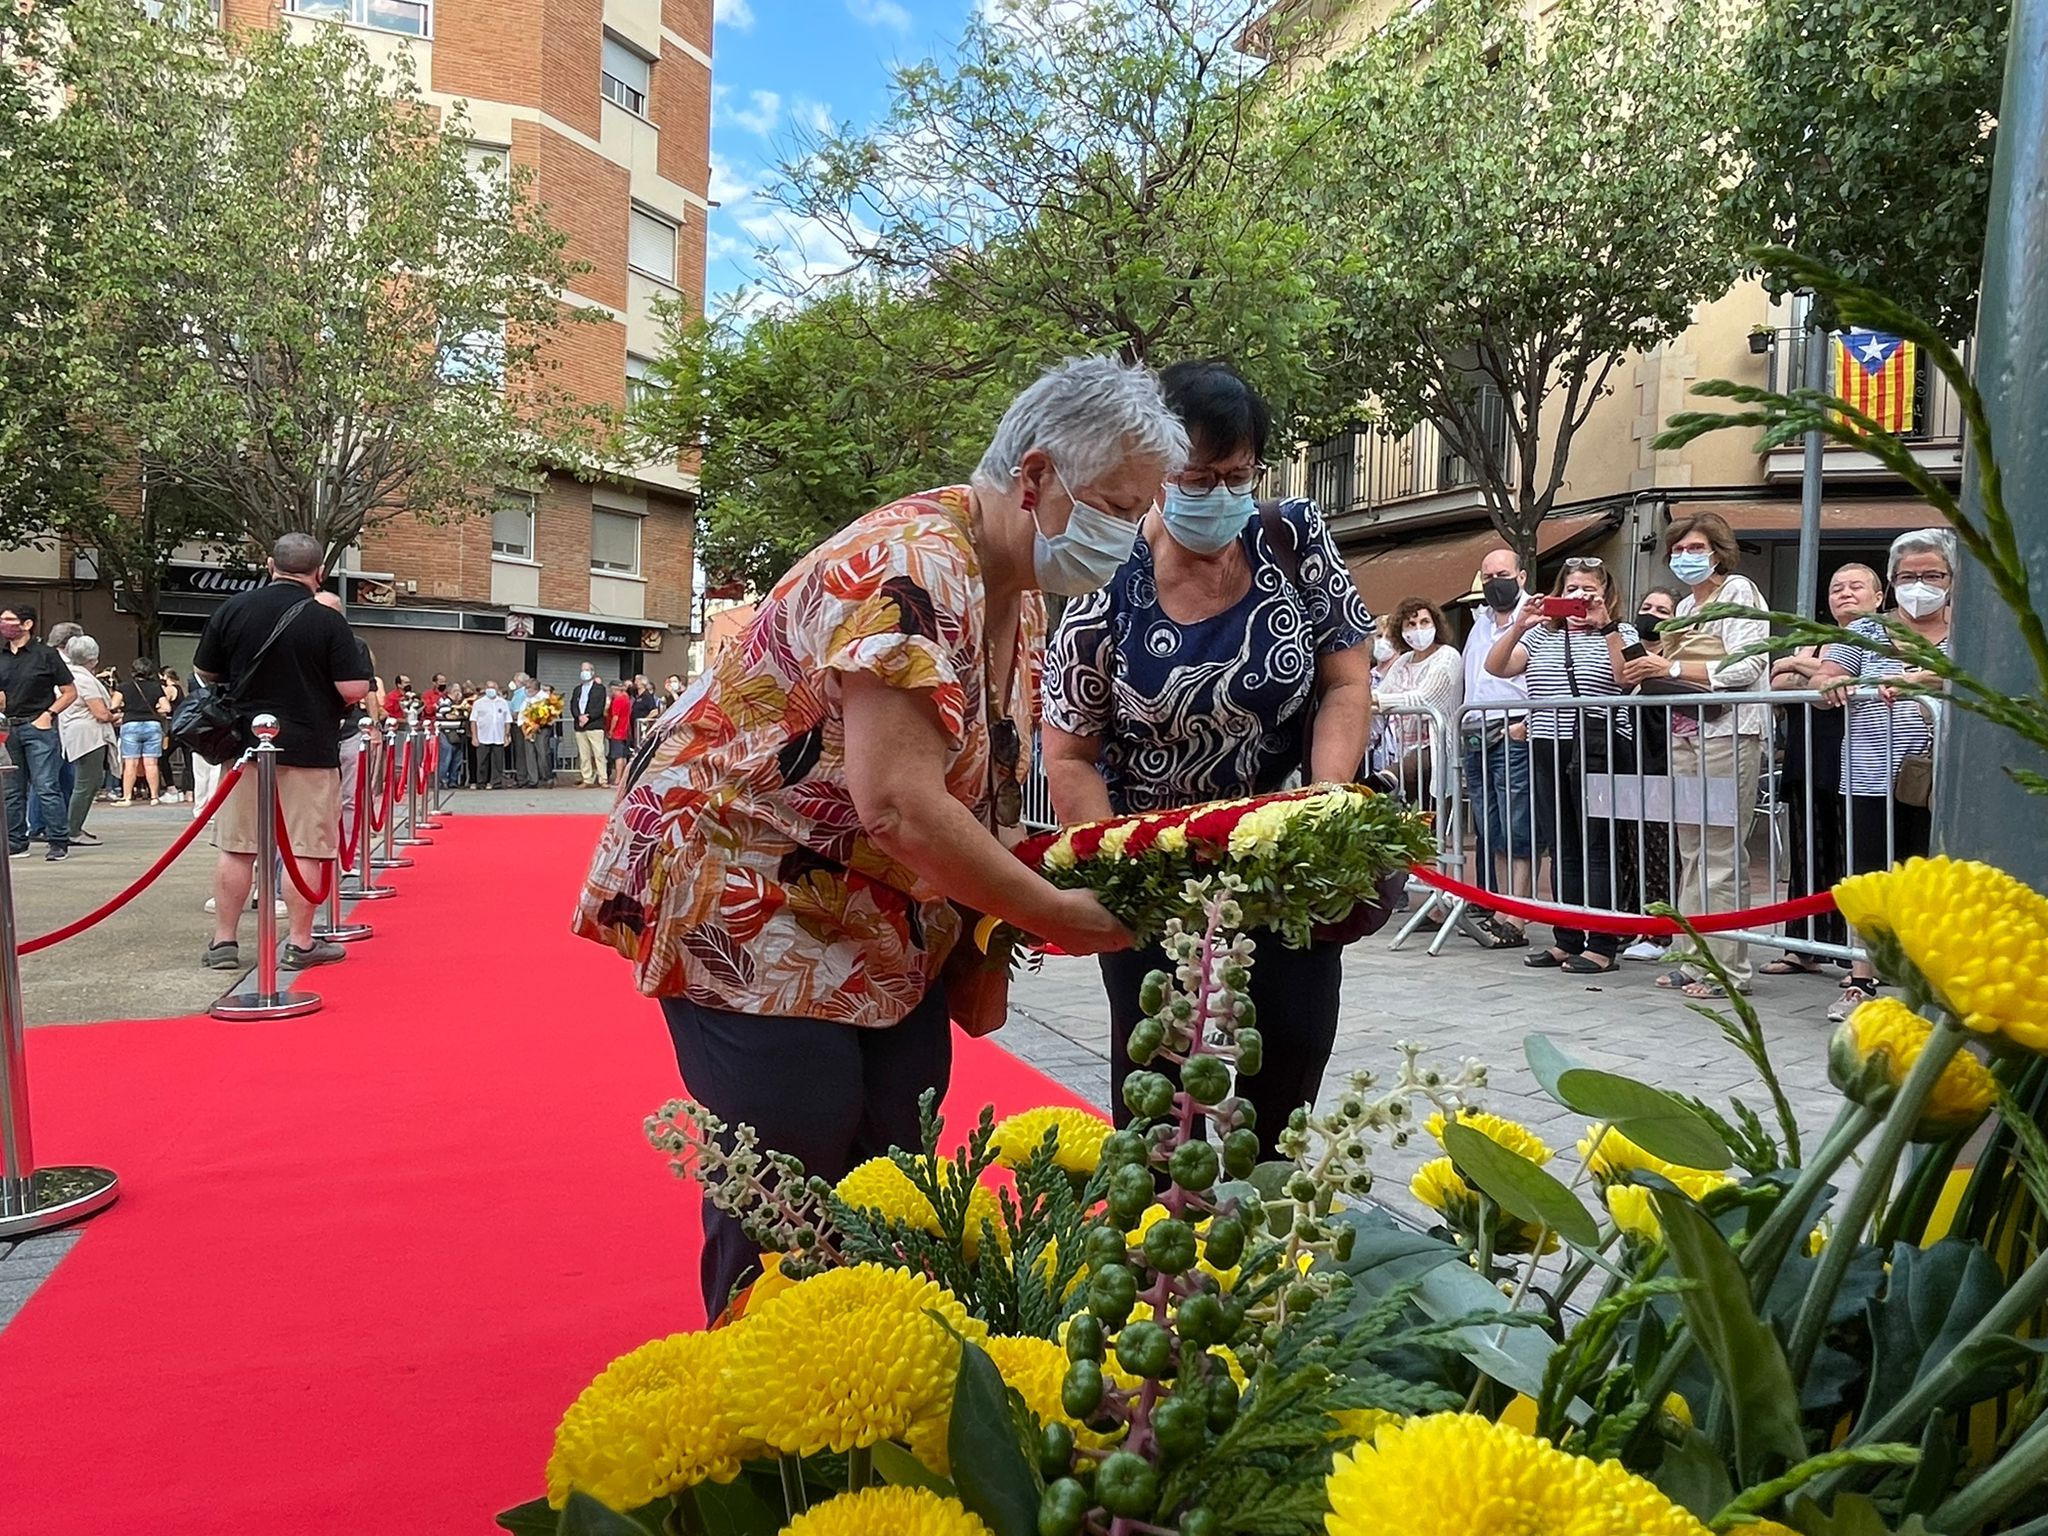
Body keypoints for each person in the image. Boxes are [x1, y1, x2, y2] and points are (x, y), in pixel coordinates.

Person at [578, 354, 1176, 1312]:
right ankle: (768, 1432)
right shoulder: (916, 561)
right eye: (1115, 503)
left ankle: (877, 1407)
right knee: (793, 1187)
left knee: (897, 1162)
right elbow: (899, 803)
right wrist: (1057, 911)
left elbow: (965, 785)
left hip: (862, 913)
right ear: (1035, 478)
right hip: (749, 900)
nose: (1129, 535)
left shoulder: (1004, 582)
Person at [1041, 360, 1375, 1158]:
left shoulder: (1291, 537)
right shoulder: (1105, 576)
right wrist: (1117, 874)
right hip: (1153, 863)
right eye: (1197, 476)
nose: (1220, 493)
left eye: (1237, 474)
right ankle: (1156, 1253)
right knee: (1157, 1092)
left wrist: (1320, 808)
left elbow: (1346, 680)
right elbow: (1070, 752)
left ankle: (1267, 1249)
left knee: (1286, 1065)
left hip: (1281, 857)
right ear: (1157, 470)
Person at [194, 534, 370, 972]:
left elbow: (204, 671)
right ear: (319, 572)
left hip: (244, 749)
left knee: (237, 847)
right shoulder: (328, 621)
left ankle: (224, 942)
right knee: (306, 848)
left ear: (270, 564)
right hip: (309, 747)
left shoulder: (232, 610)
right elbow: (353, 689)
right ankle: (300, 943)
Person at [1619, 513, 1770, 999]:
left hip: (1730, 733)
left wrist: (1672, 664)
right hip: (1685, 733)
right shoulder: (1683, 605)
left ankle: (1727, 969)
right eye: (1679, 549)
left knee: (1721, 854)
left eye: (1697, 548)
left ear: (1719, 552)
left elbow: (1749, 663)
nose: (1687, 557)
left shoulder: (1740, 592)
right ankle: (1691, 957)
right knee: (1692, 851)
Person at [1814, 529, 1957, 1022]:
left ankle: (1928, 984)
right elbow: (1827, 672)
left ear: (1951, 579)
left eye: (1932, 575)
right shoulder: (1866, 631)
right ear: (1893, 583)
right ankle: (1861, 978)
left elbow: (1975, 674)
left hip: (1941, 780)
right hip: (1869, 773)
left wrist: (1919, 676)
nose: (1920, 584)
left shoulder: (1971, 630)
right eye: (1908, 576)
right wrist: (1830, 679)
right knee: (1870, 876)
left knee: (1931, 877)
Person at [1485, 559, 1638, 974]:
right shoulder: (1540, 636)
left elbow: (1627, 677)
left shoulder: (1622, 632)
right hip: (1548, 743)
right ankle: (1567, 938)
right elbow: (1495, 667)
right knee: (1563, 844)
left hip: (1599, 745)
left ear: (1606, 594)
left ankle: (1603, 942)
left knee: (1599, 845)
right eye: (1571, 589)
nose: (1579, 597)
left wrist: (1604, 625)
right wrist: (1520, 623)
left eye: (1589, 589)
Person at [1763, 562, 1883, 978]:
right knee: (1806, 851)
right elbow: (1775, 682)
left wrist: (1800, 669)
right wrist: (1808, 669)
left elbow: (1851, 680)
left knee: (1854, 857)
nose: (1845, 594)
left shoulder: (1886, 639)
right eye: (1836, 588)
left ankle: (1858, 953)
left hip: (1859, 759)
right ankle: (1802, 944)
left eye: (1856, 587)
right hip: (1807, 756)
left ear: (1878, 597)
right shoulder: (1813, 641)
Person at [1458, 549, 1537, 948]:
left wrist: (1527, 724)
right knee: (1492, 825)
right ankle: (1504, 904)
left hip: (1513, 729)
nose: (1494, 582)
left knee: (1517, 820)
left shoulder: (1537, 619)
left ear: (1521, 576)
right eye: (1487, 577)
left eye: (1502, 574)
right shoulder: (1479, 624)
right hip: (1476, 730)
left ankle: (1519, 911)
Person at [1615, 583, 1687, 964]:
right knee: (1633, 845)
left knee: (1662, 848)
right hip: (1632, 760)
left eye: (1662, 611)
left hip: (1665, 761)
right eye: (1647, 607)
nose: (1652, 615)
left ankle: (1661, 930)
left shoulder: (1678, 655)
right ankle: (1637, 920)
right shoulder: (1631, 654)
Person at [0, 604, 80, 861]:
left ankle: (58, 840)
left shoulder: (46, 655)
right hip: (8, 727)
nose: (4, 625)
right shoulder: (1, 656)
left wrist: (49, 715)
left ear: (27, 624)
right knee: (12, 788)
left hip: (38, 726)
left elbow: (70, 692)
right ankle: (16, 841)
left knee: (46, 785)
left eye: (10, 620)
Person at [1372, 597, 1464, 804]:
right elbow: (1381, 695)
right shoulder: (1403, 661)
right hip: (1403, 747)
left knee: (1401, 776)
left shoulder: (1447, 656)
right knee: (1418, 815)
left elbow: (1426, 699)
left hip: (1438, 746)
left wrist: (1378, 699)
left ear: (1436, 624)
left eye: (1424, 622)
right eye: (1411, 624)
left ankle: (1374, 786)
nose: (1418, 629)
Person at [59, 636, 118, 848]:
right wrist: (115, 716)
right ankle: (72, 829)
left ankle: (74, 826)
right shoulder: (84, 679)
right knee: (87, 783)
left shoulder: (71, 675)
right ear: (92, 658)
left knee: (89, 781)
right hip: (88, 735)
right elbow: (100, 713)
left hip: (77, 733)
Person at [115, 659, 171, 807]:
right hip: (152, 725)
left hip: (130, 724)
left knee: (130, 763)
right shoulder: (156, 687)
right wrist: (157, 710)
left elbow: (113, 705)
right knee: (151, 763)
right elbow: (167, 708)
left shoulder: (124, 687)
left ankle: (127, 797)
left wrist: (124, 707)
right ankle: (154, 797)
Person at [569, 666, 607, 786]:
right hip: (580, 726)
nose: (583, 672)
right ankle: (587, 779)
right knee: (584, 755)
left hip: (594, 725)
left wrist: (588, 717)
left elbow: (599, 707)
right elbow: (573, 705)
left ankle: (603, 779)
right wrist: (578, 716)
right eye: (582, 670)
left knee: (599, 753)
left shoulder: (600, 689)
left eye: (586, 670)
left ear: (592, 672)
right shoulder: (577, 689)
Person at [470, 681, 512, 788]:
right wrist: (474, 737)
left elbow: (507, 721)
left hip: (498, 737)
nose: (491, 689)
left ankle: (496, 782)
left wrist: (506, 735)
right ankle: (481, 782)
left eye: (493, 687)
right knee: (482, 762)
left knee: (498, 762)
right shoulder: (478, 703)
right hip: (483, 736)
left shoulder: (503, 703)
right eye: (489, 687)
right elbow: (473, 721)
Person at [604, 681, 634, 786]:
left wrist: (611, 730)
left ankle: (618, 778)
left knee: (618, 756)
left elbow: (615, 717)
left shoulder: (618, 700)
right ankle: (622, 777)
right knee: (623, 755)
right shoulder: (626, 698)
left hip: (618, 731)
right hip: (625, 730)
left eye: (611, 690)